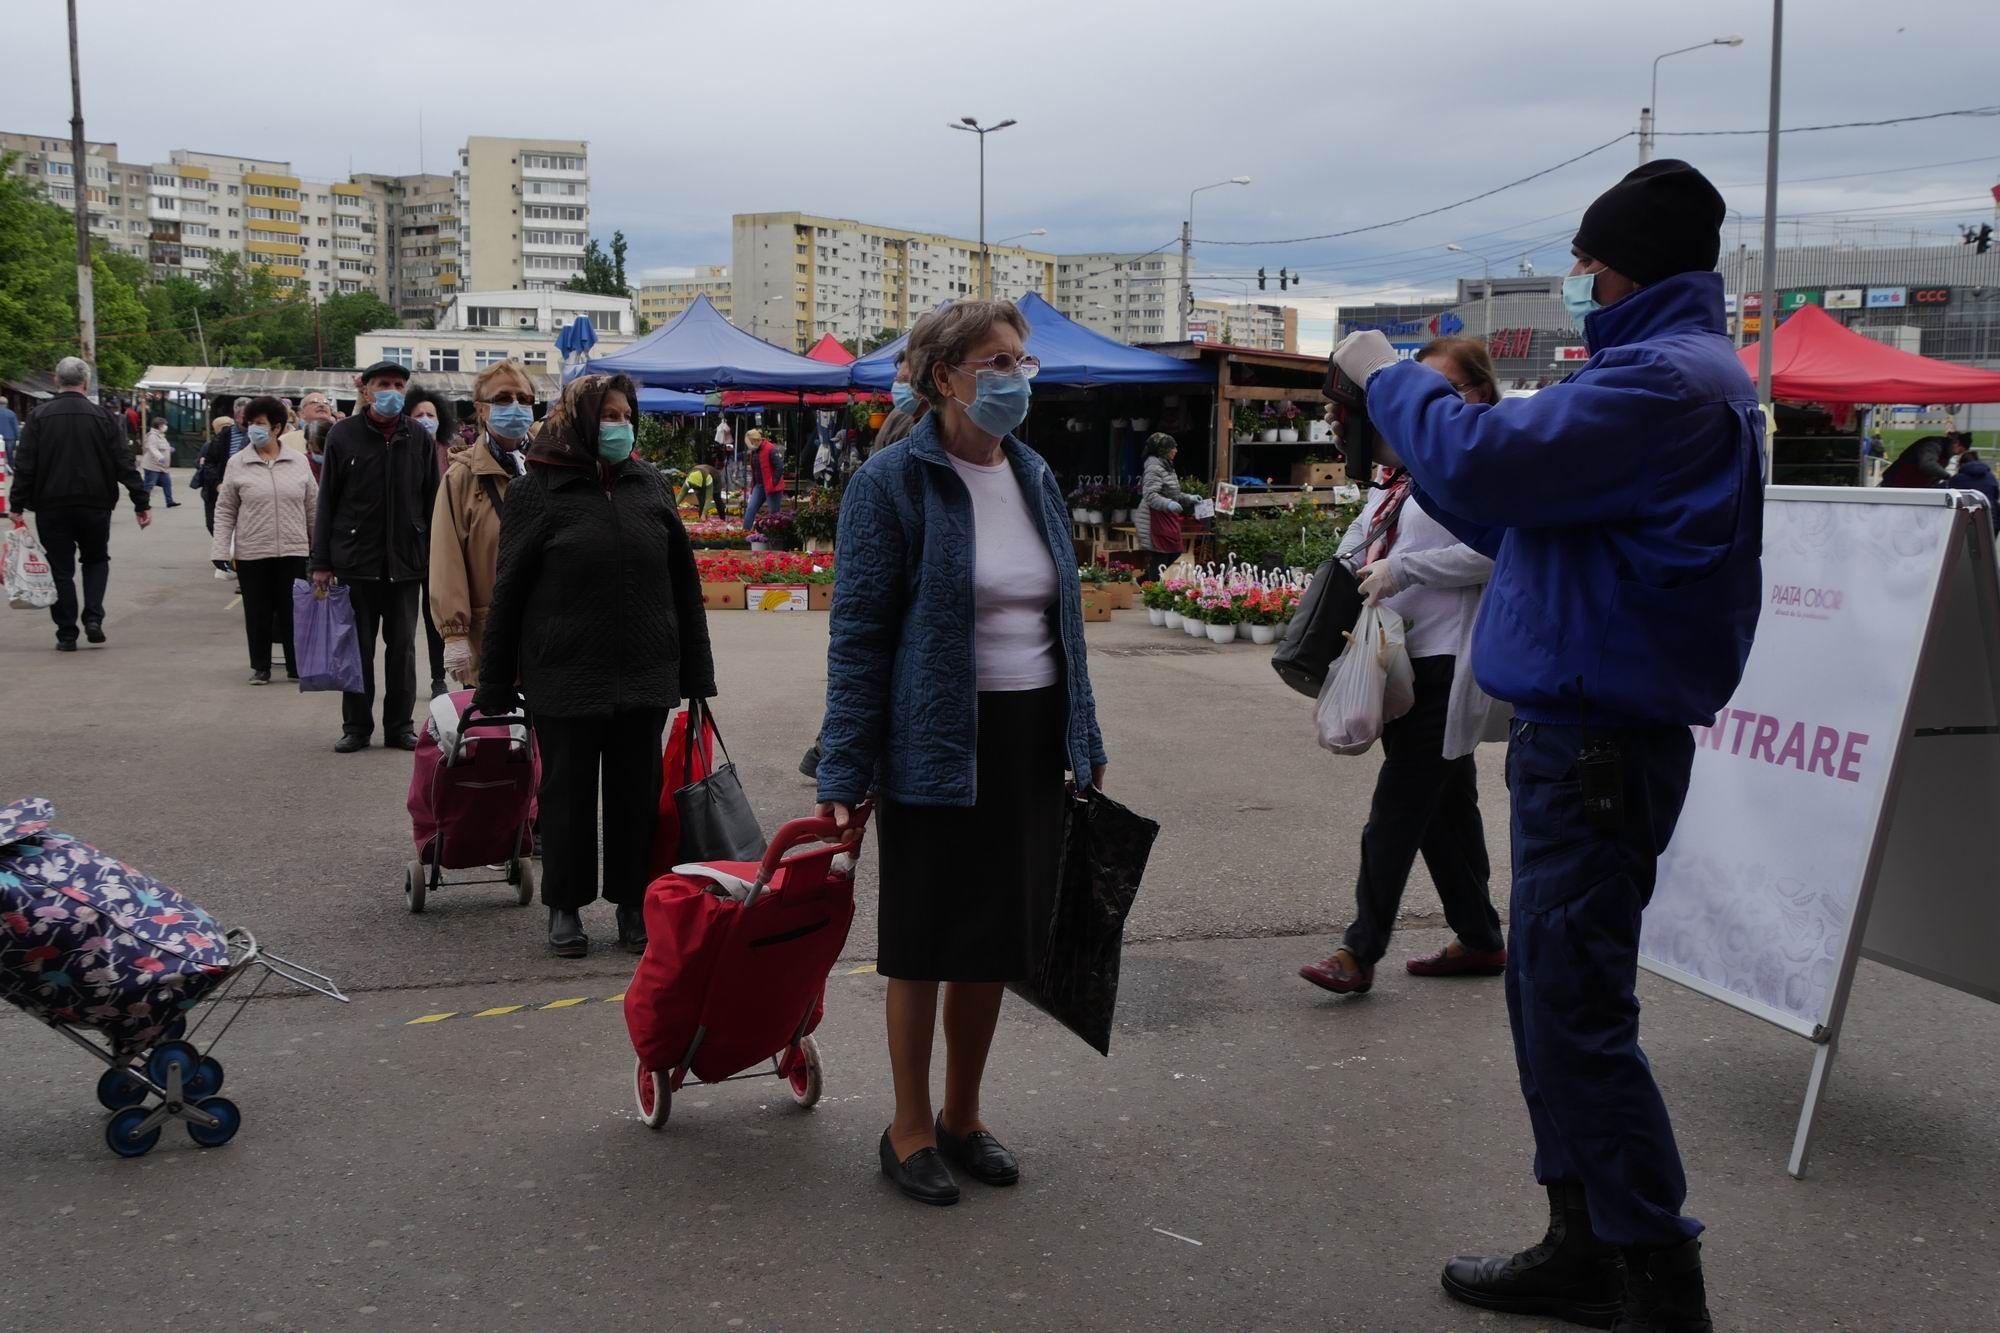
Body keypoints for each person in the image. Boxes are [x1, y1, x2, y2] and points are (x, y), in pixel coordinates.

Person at [1331, 159, 1761, 1333]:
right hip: (1578, 742)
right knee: (1549, 1002)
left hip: (1595, 745)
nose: (1576, 277)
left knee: (1575, 1015)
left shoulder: (1662, 382)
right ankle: (1586, 1239)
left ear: (1631, 261)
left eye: (1585, 258)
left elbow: (1486, 464)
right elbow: (1501, 503)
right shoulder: (1655, 372)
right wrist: (1436, 449)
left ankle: (1651, 1277)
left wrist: (1391, 382)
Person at [817, 300, 1108, 1208]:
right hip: (934, 735)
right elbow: (859, 635)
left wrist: (1083, 739)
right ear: (944, 377)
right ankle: (906, 1125)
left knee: (993, 939)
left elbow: (1065, 623)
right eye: (998, 361)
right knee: (923, 937)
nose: (1018, 377)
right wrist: (844, 767)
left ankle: (963, 1114)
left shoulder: (1034, 474)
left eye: (1023, 360)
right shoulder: (892, 483)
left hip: (1026, 738)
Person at [475, 373, 714, 959]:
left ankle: (633, 904)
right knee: (567, 795)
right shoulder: (540, 491)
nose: (619, 425)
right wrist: (495, 681)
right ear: (579, 418)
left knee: (636, 794)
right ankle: (565, 904)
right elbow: (508, 590)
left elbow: (684, 585)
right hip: (565, 672)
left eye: (625, 414)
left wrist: (696, 676)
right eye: (608, 415)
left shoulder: (650, 485)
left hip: (645, 672)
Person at [1298, 336, 1509, 997]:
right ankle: (1480, 938)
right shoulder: (1406, 475)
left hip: (1446, 663)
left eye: (1438, 391)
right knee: (1446, 810)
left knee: (1397, 810)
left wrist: (1406, 567)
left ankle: (1358, 950)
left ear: (1474, 394)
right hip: (1400, 661)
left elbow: (1500, 551)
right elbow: (1364, 544)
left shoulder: (1482, 471)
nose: (1418, 405)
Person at [310, 361, 439, 754]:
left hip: (405, 563)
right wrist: (321, 562)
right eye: (384, 384)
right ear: (366, 389)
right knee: (356, 649)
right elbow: (327, 500)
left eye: (399, 385)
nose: (393, 391)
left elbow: (431, 502)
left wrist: (436, 559)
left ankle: (400, 726)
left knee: (402, 650)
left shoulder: (417, 436)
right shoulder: (343, 435)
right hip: (355, 561)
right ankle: (356, 726)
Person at [6, 357, 152, 651]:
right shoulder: (105, 417)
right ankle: (94, 618)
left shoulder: (38, 416)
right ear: (85, 382)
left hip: (51, 506)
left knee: (60, 568)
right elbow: (123, 462)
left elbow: (26, 465)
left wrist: (16, 504)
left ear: (57, 381)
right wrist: (140, 502)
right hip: (95, 505)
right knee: (96, 560)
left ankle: (66, 633)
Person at [430, 360, 535, 690]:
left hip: (551, 633)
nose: (516, 406)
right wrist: (454, 633)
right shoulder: (461, 478)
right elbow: (447, 559)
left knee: (549, 739)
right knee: (496, 736)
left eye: (524, 398)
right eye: (503, 398)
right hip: (491, 634)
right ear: (481, 409)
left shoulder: (551, 467)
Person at [211, 396, 317, 684]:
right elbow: (225, 509)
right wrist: (220, 550)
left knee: (292, 610)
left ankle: (297, 665)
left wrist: (319, 547)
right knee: (257, 611)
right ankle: (261, 665)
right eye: (250, 424)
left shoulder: (298, 462)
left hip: (294, 550)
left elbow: (313, 507)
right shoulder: (238, 463)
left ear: (277, 427)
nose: (253, 430)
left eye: (260, 424)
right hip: (252, 551)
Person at [404, 384, 460, 698]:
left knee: (435, 613)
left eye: (431, 414)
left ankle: (438, 677)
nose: (425, 419)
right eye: (418, 415)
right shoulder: (401, 449)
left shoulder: (451, 451)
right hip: (408, 545)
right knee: (405, 619)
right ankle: (405, 680)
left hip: (442, 544)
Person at [1135, 433, 1195, 581]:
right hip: (1153, 517)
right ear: (1162, 449)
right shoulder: (1154, 467)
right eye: (1172, 448)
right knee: (1160, 554)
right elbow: (1150, 495)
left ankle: (1144, 580)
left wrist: (1188, 498)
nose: (1175, 451)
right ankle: (1153, 592)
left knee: (1175, 550)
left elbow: (1172, 493)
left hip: (1166, 517)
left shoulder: (1166, 465)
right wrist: (1168, 504)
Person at [1943, 438, 1999, 528]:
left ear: (1961, 464)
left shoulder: (1957, 479)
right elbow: (1995, 497)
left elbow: (1943, 493)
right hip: (1991, 520)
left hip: (1967, 522)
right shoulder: (1990, 477)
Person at [742, 428, 787, 532]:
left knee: (774, 514)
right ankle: (744, 532)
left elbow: (779, 467)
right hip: (759, 485)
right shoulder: (755, 451)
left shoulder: (771, 449)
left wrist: (773, 483)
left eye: (750, 443)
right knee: (750, 508)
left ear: (755, 441)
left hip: (772, 486)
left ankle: (775, 535)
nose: (749, 446)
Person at [196, 415, 234, 534]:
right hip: (213, 490)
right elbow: (200, 463)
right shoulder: (210, 445)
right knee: (213, 523)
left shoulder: (237, 442)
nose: (225, 430)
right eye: (222, 427)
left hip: (232, 488)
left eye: (228, 426)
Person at [1881, 430, 1955, 488]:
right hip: (1900, 483)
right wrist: (1947, 476)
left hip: (1905, 485)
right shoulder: (1933, 446)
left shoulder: (1944, 455)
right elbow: (1927, 465)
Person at [140, 418, 181, 508]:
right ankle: (144, 503)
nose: (166, 427)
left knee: (167, 483)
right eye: (164, 425)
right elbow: (152, 448)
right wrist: (160, 457)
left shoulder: (161, 435)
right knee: (149, 485)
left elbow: (163, 446)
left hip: (162, 466)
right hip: (152, 466)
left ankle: (169, 501)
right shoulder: (152, 436)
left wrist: (169, 449)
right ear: (159, 426)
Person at [1, 397, 22, 467]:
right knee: (10, 456)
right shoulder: (11, 413)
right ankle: (10, 470)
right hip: (10, 438)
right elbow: (15, 427)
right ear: (6, 404)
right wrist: (18, 438)